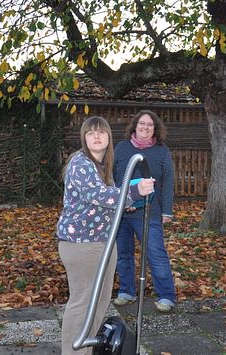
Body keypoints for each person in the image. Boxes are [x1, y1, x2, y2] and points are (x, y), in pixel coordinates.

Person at [56, 116, 154, 355]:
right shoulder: (81, 163)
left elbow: (106, 202)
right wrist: (134, 191)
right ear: (84, 138)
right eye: (91, 133)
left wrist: (126, 201)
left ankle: (86, 350)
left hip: (101, 242)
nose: (96, 136)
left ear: (109, 137)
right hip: (81, 245)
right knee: (83, 303)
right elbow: (98, 196)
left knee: (99, 302)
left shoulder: (101, 166)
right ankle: (73, 351)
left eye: (101, 132)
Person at [112, 110, 177, 312]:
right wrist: (119, 202)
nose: (145, 127)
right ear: (135, 126)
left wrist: (167, 211)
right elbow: (112, 178)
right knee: (123, 254)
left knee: (156, 254)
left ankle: (166, 296)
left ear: (155, 129)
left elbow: (167, 182)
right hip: (122, 213)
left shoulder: (162, 151)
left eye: (150, 125)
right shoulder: (121, 148)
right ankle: (126, 291)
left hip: (149, 212)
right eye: (142, 124)